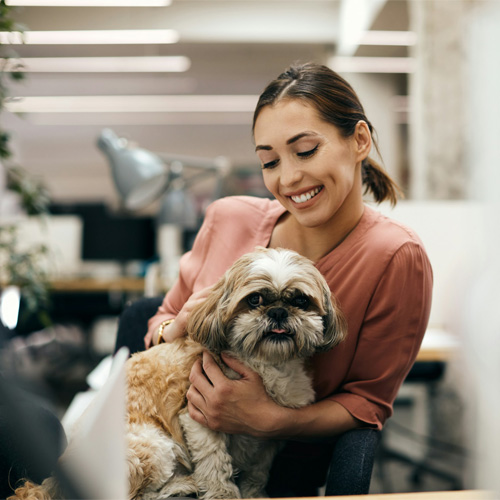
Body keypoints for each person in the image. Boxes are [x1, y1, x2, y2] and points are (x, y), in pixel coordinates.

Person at [115, 62, 433, 496]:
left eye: (305, 151)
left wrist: (272, 420)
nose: (287, 178)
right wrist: (178, 326)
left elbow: (368, 403)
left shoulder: (396, 258)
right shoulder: (227, 218)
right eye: (269, 160)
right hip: (172, 447)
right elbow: (156, 323)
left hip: (279, 472)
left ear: (359, 140)